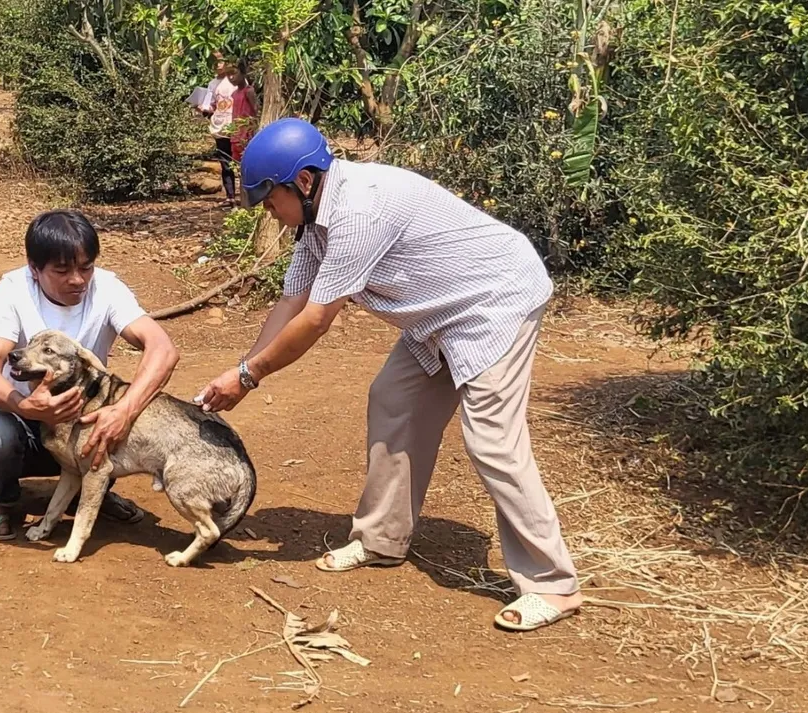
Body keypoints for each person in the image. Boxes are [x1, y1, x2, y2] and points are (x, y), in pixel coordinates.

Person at [194, 118, 583, 632]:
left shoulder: (360, 209)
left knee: (493, 441)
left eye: (271, 201)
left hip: (495, 301)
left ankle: (553, 584)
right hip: (436, 315)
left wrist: (248, 377)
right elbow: (292, 301)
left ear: (304, 183)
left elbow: (316, 319)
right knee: (393, 400)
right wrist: (240, 369)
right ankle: (381, 539)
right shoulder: (314, 222)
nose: (270, 212)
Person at [0, 210, 180, 541]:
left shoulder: (107, 288)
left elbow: (162, 348)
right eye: (62, 270)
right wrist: (26, 407)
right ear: (34, 269)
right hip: (22, 423)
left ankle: (92, 491)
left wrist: (124, 411)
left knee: (121, 413)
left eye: (86, 267)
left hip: (81, 422)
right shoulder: (12, 291)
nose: (78, 280)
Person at [200, 55, 238, 207]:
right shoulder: (212, 84)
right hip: (220, 127)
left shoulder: (236, 80)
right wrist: (203, 109)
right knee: (225, 162)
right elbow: (209, 105)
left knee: (241, 161)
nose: (217, 65)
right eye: (214, 62)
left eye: (220, 61)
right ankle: (230, 196)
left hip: (236, 126)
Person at [228, 61, 260, 165]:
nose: (231, 77)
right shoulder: (234, 94)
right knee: (237, 165)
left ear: (242, 73)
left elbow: (256, 111)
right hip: (236, 135)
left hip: (246, 135)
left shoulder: (249, 91)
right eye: (228, 75)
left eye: (233, 73)